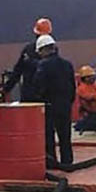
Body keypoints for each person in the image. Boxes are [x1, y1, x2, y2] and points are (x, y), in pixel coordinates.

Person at [32, 34, 75, 166]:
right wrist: (68, 102)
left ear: (43, 50)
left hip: (49, 106)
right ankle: (67, 162)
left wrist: (39, 100)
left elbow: (38, 86)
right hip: (65, 105)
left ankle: (51, 162)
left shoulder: (43, 65)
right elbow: (72, 86)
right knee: (65, 136)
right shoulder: (67, 64)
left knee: (48, 136)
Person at [0, 17, 51, 102]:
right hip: (47, 97)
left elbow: (17, 71)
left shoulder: (28, 50)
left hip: (29, 95)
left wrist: (5, 89)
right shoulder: (54, 53)